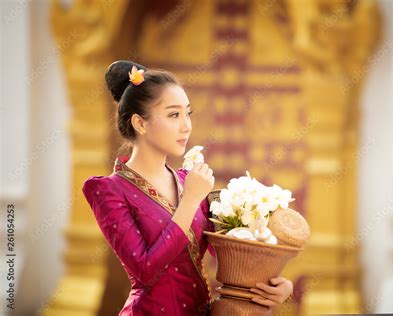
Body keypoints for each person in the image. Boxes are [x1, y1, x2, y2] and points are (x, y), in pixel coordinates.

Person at [82, 60, 293, 315]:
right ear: (140, 123)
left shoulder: (187, 180)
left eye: (187, 113)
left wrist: (278, 285)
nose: (187, 126)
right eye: (174, 114)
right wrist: (191, 200)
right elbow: (145, 270)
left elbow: (236, 254)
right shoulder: (109, 190)